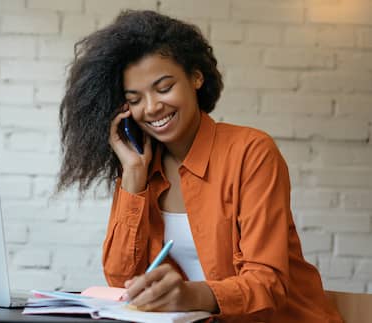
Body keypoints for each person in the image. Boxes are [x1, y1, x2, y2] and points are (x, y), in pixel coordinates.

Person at [57, 9, 342, 323]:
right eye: (135, 99)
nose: (151, 108)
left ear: (196, 77)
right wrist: (133, 177)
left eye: (164, 88)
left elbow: (267, 283)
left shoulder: (251, 152)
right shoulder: (141, 169)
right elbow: (121, 280)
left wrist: (188, 295)